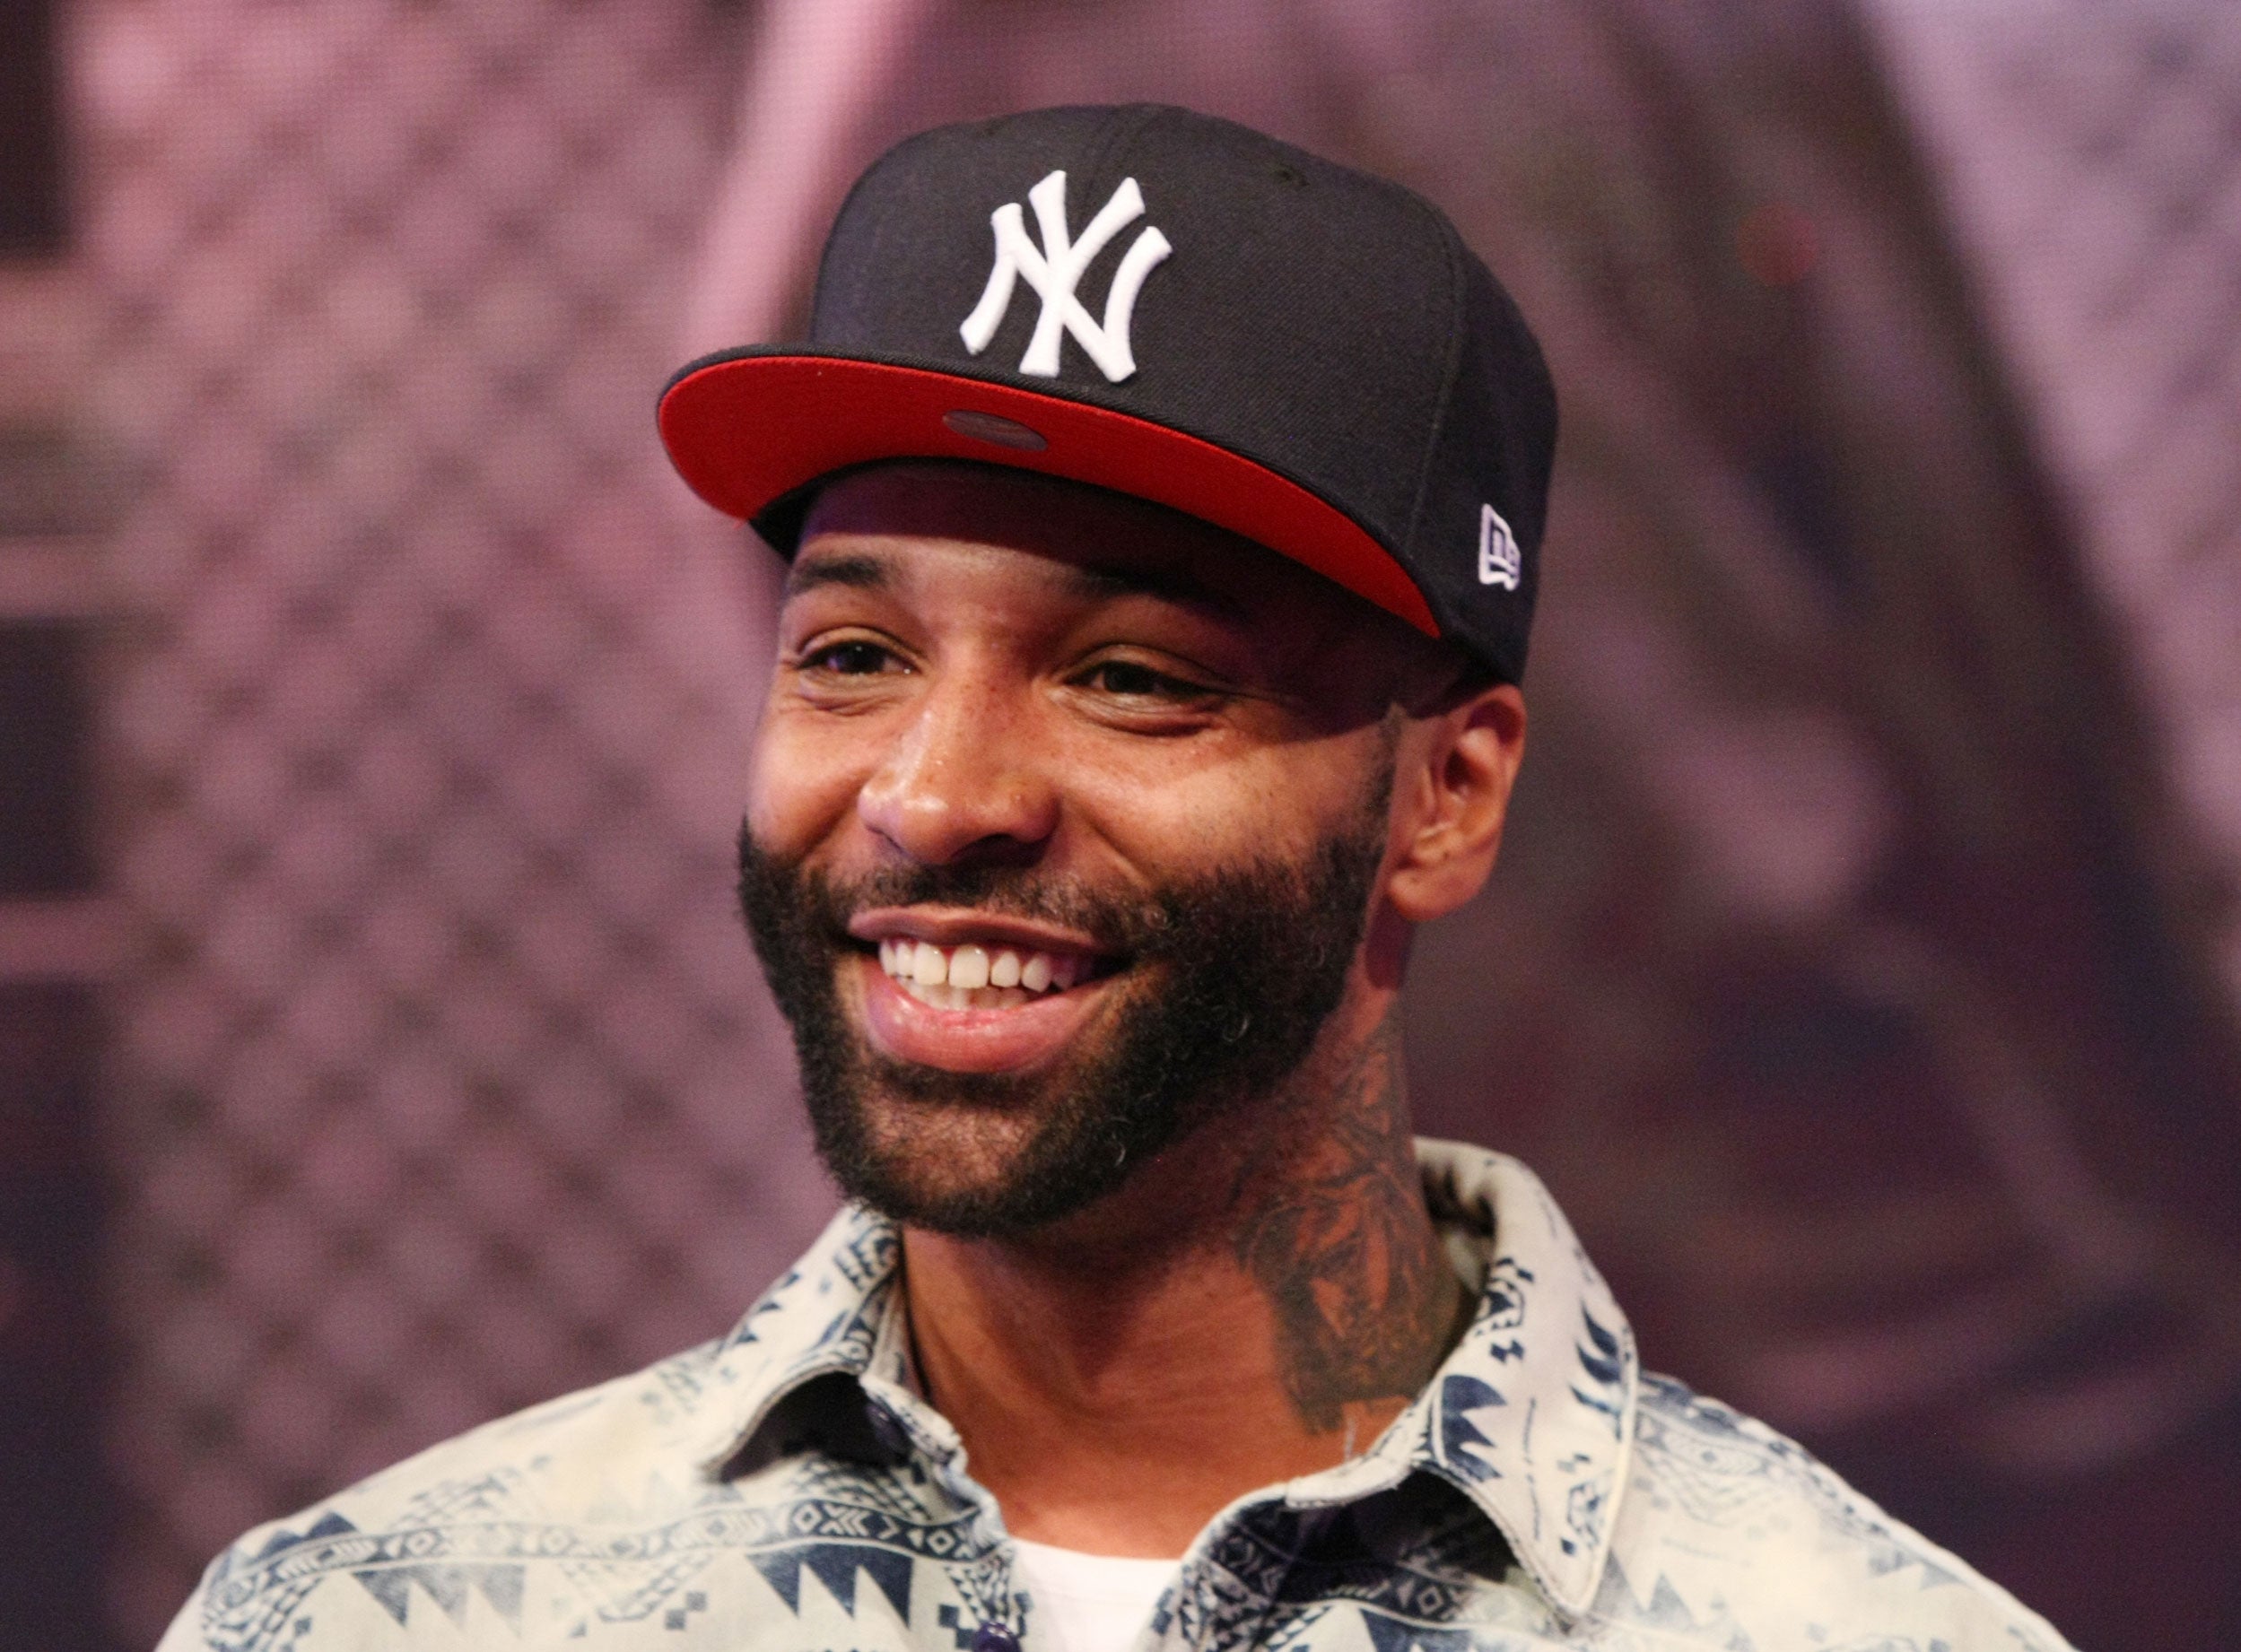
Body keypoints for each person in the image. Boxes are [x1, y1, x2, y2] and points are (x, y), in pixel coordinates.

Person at [161, 105, 2076, 1652]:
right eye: (852, 655)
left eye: (1133, 676)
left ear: (1446, 794)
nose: (935, 795)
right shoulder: (379, 1620)